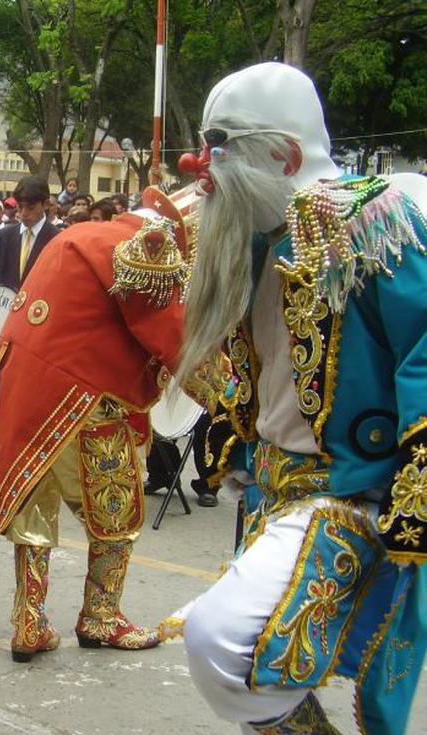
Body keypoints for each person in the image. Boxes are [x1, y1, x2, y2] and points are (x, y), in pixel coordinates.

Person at [168, 62, 427, 735]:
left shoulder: (371, 220)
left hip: (354, 492)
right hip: (275, 486)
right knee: (236, 654)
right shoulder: (246, 234)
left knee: (224, 641)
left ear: (283, 156)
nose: (204, 170)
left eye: (222, 152)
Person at [0, 183, 201, 662]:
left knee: (34, 507)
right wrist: (236, 395)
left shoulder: (79, 235)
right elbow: (172, 336)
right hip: (85, 401)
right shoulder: (146, 249)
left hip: (23, 390)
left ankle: (28, 621)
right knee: (115, 515)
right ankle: (101, 615)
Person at [0, 176, 60, 291]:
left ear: (46, 204)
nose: (24, 213)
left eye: (31, 208)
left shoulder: (56, 239)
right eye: (20, 207)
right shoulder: (5, 236)